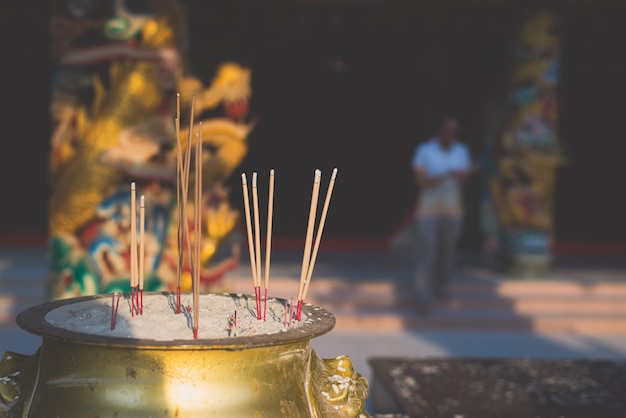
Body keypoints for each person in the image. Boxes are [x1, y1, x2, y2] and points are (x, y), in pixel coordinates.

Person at [412, 117, 471, 313]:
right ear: (439, 131)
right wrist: (445, 175)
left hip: (452, 210)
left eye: (454, 131)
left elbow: (464, 179)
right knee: (427, 252)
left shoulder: (461, 151)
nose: (450, 134)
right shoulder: (424, 151)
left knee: (448, 252)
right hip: (428, 210)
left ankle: (442, 288)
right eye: (447, 130)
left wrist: (459, 175)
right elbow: (421, 181)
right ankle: (423, 295)